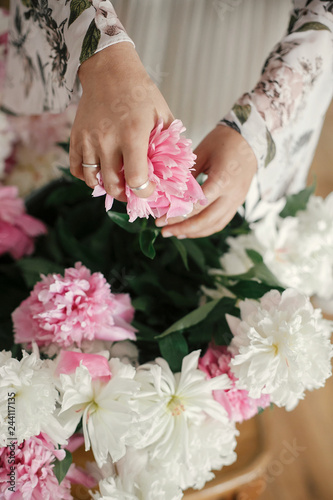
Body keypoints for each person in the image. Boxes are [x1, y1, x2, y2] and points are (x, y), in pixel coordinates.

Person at [3, 0, 333, 238]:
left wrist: (260, 120)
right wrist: (102, 54)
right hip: (130, 13)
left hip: (266, 31)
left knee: (245, 230)